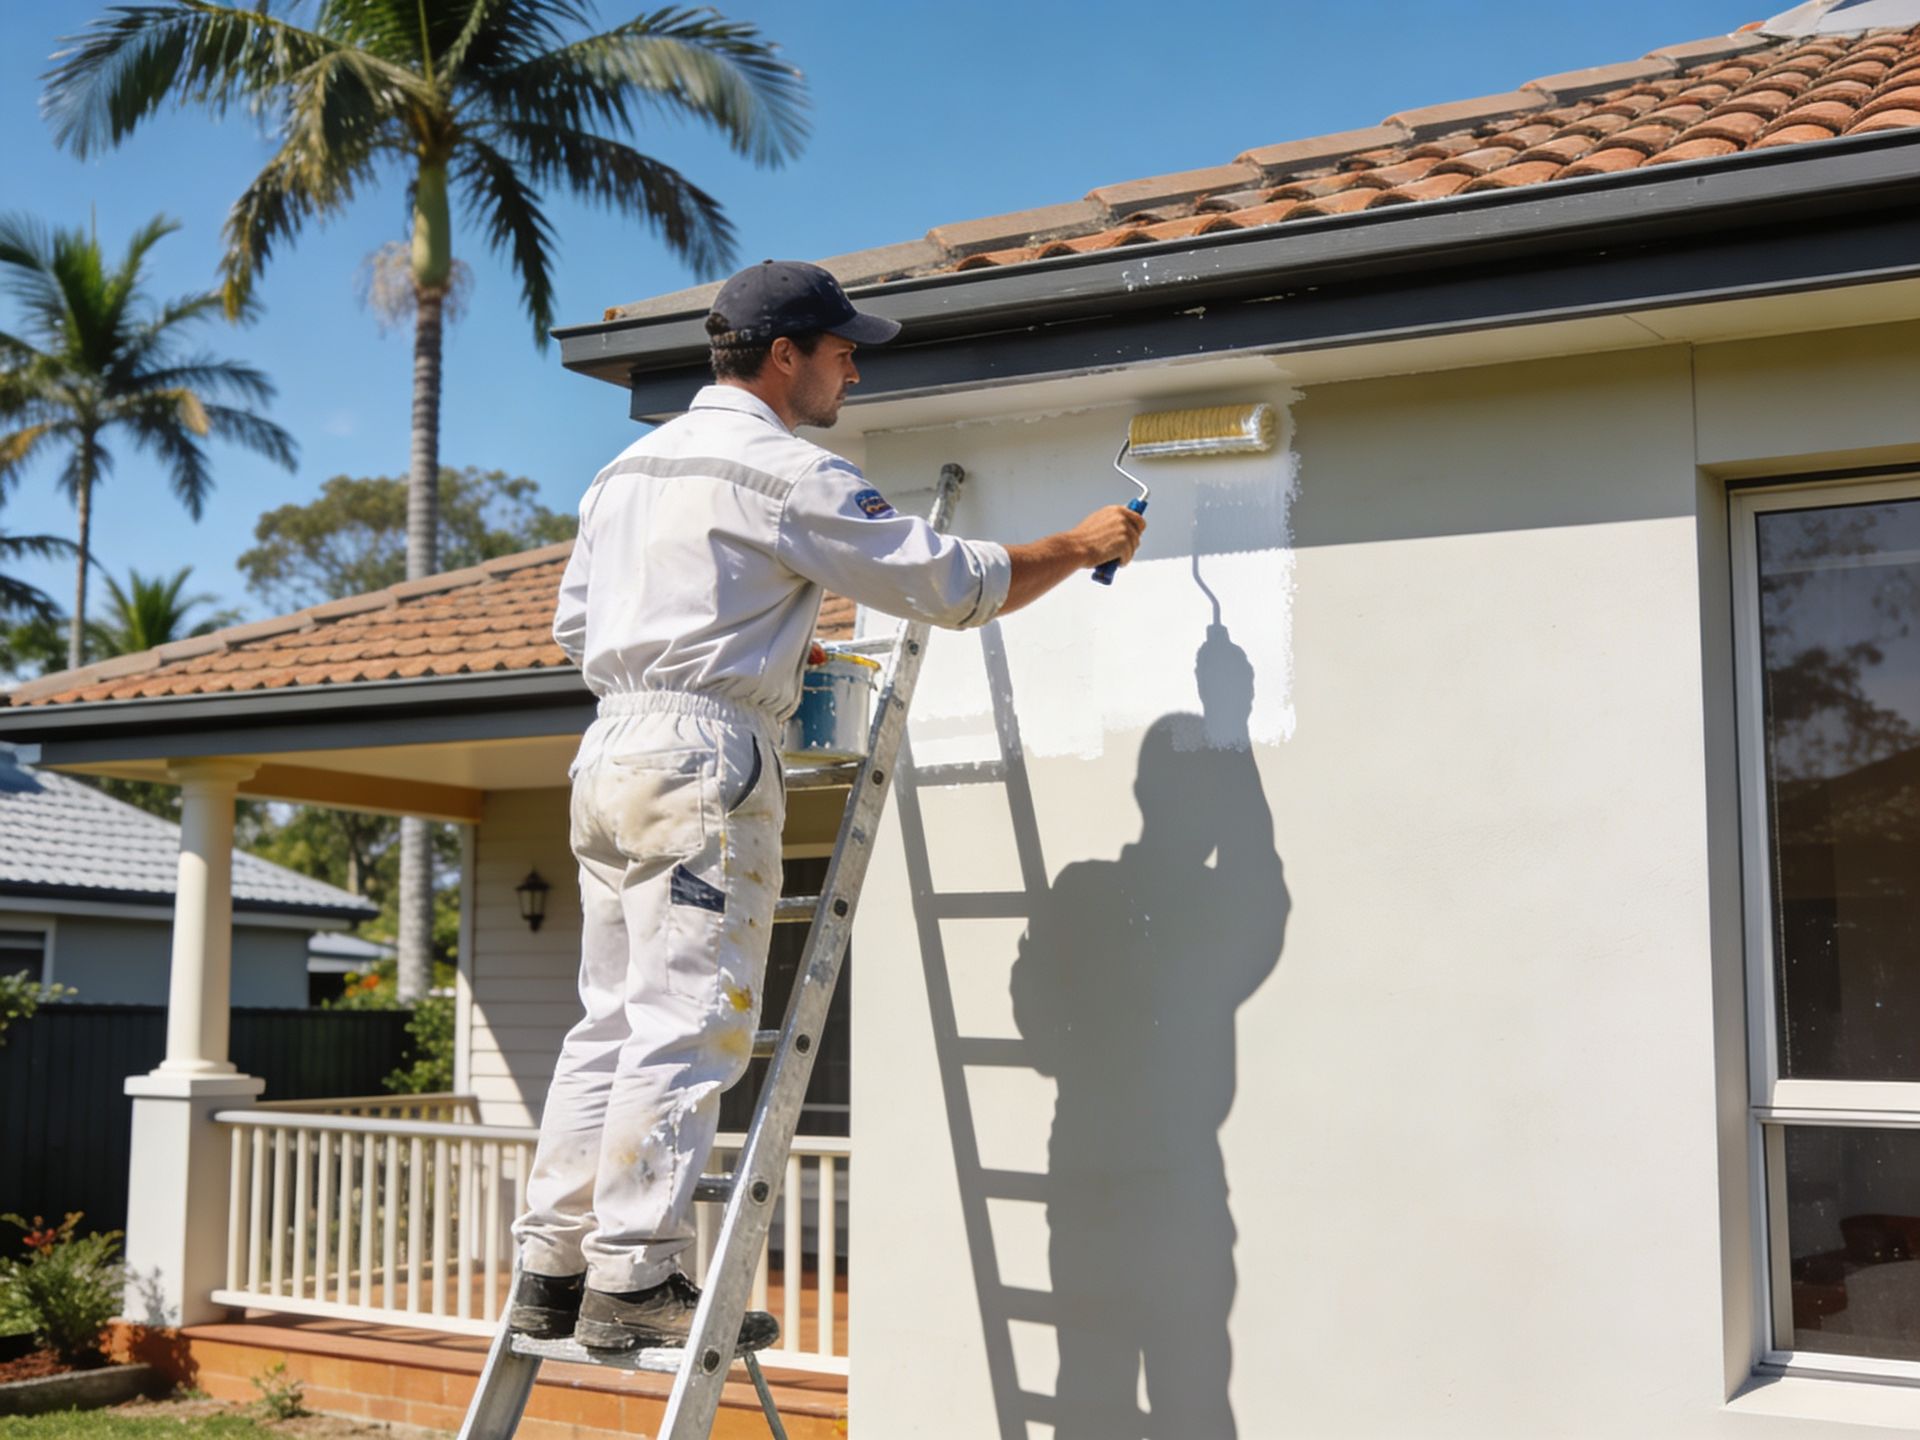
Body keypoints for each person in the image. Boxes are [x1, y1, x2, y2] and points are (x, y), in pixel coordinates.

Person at [510, 259, 1147, 1352]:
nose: (855, 365)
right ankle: (635, 1278)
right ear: (784, 355)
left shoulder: (625, 472)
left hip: (610, 748)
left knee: (610, 1017)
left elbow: (578, 628)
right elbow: (950, 585)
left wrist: (734, 640)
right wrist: (1077, 545)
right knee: (687, 1016)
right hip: (702, 755)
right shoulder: (783, 470)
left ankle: (551, 1273)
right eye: (843, 348)